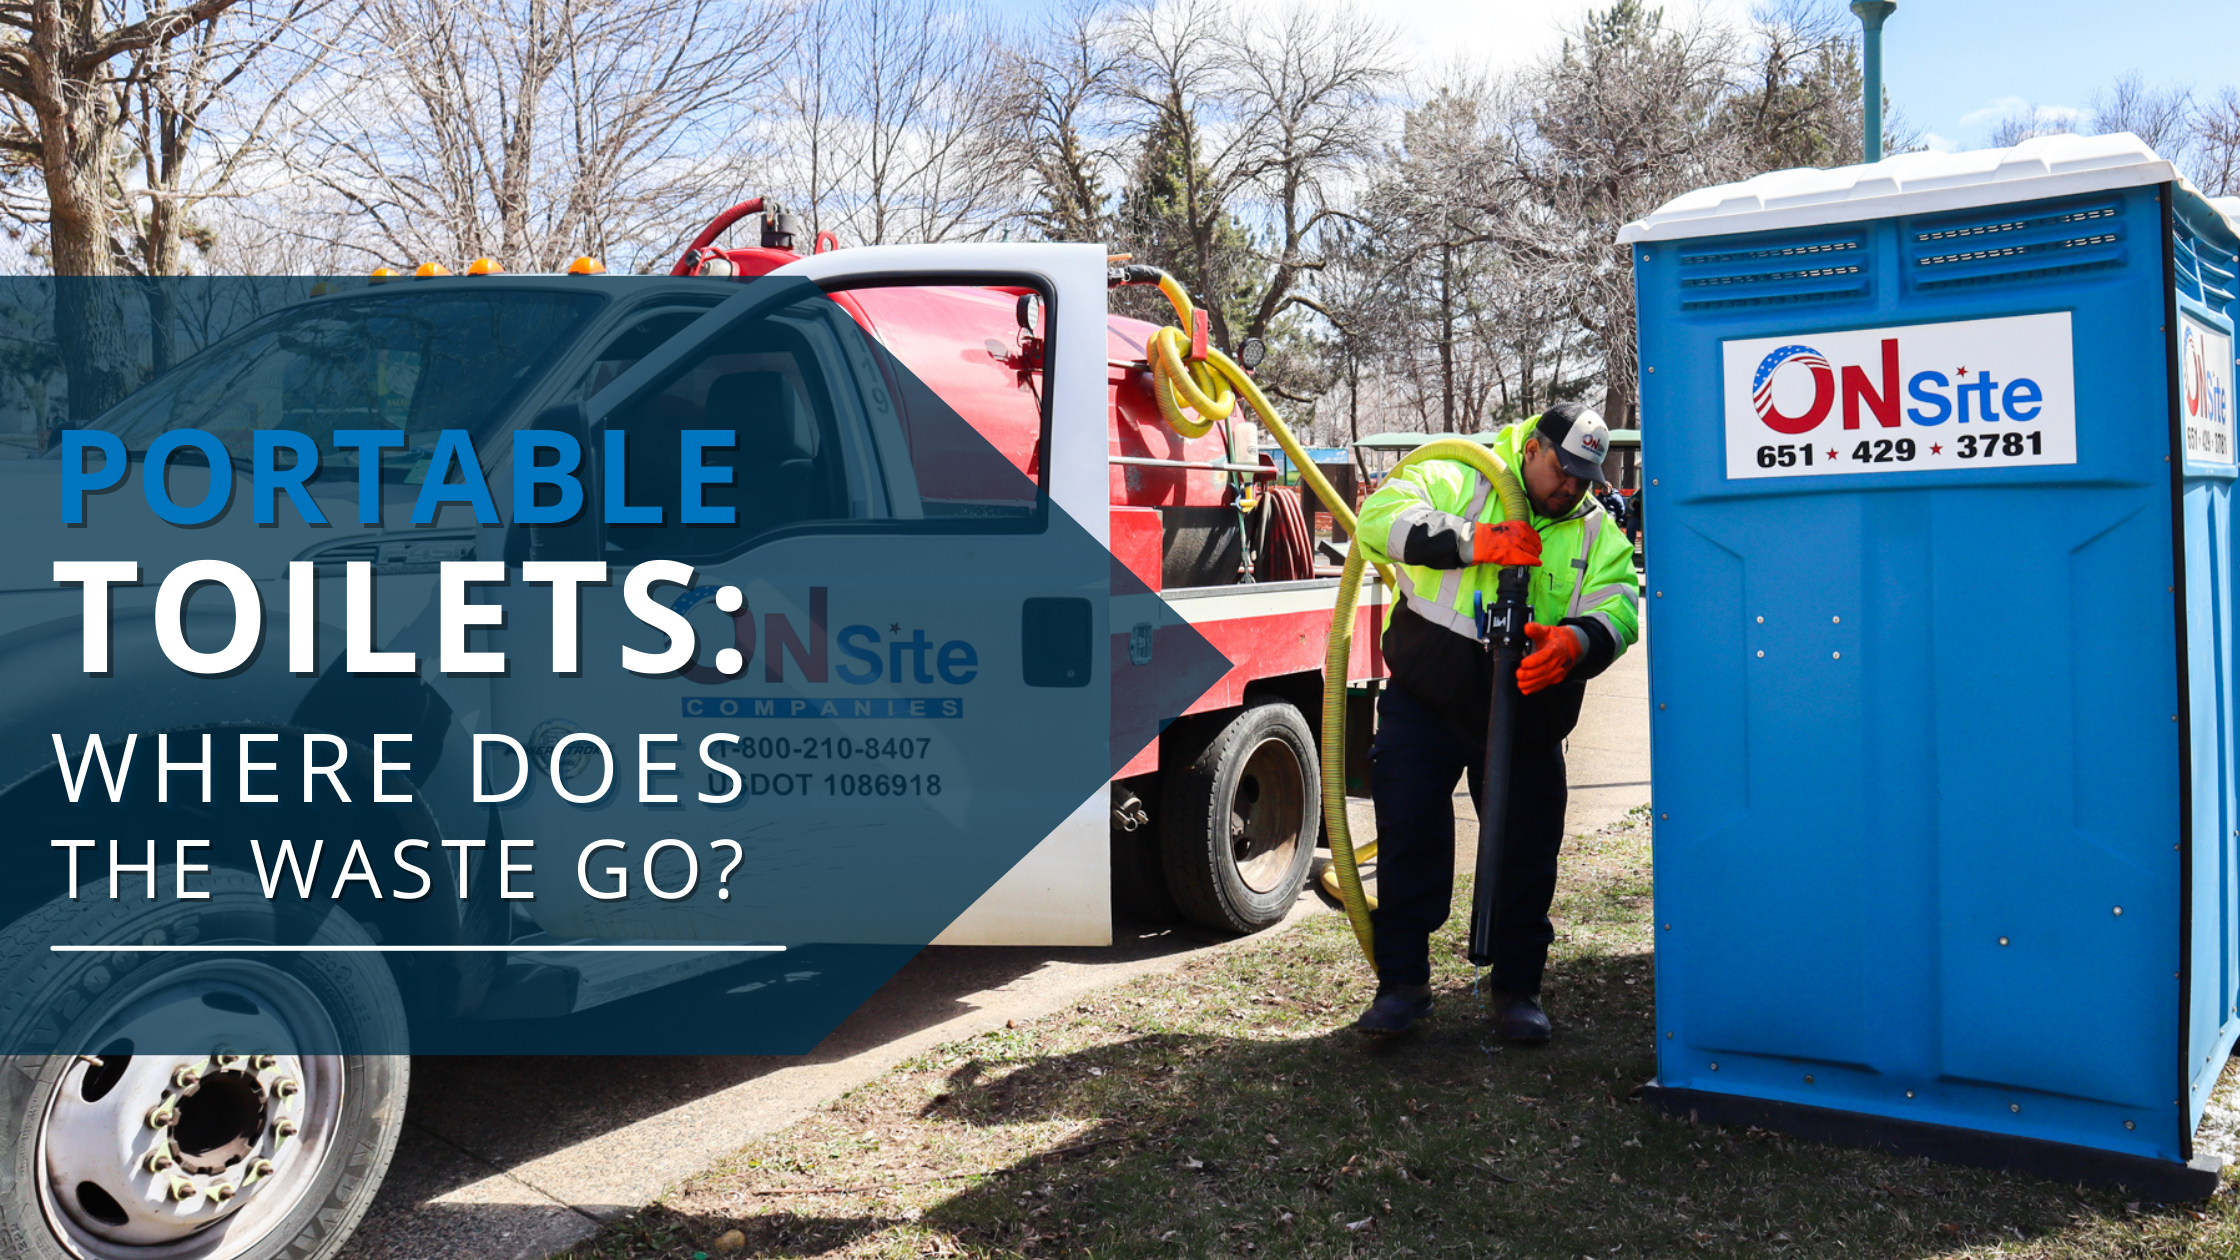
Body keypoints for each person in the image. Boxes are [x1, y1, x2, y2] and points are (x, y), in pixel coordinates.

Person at [1348, 402, 1641, 1041]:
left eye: (1585, 479)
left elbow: (1620, 609)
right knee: (1410, 834)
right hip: (1427, 700)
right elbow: (1377, 521)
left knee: (1524, 851)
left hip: (1531, 718)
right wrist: (1474, 542)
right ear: (1534, 449)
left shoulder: (1595, 532)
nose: (1571, 488)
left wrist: (1576, 645)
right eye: (1563, 470)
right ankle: (1402, 985)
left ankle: (1516, 991)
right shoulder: (1462, 474)